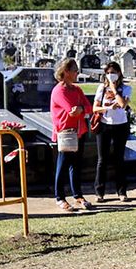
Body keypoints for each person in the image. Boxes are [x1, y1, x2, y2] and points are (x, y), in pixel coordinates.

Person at [50, 57, 93, 213]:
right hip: (66, 133)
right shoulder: (59, 90)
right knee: (63, 165)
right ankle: (60, 197)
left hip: (79, 132)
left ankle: (77, 195)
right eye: (75, 70)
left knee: (76, 166)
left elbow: (88, 107)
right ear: (66, 72)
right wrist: (81, 109)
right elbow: (72, 109)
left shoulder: (77, 89)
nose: (77, 73)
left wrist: (82, 109)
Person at [93, 62, 132, 201]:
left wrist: (115, 90)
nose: (111, 75)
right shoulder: (101, 89)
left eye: (114, 72)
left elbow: (122, 104)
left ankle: (121, 191)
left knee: (119, 159)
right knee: (102, 159)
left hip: (120, 125)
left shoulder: (126, 88)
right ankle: (99, 191)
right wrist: (107, 108)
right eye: (108, 72)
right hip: (104, 126)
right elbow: (95, 108)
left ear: (119, 73)